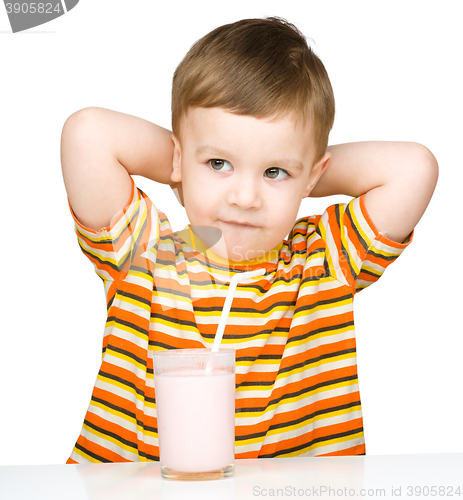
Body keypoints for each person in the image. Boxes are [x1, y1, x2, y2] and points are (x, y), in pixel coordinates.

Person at [60, 17, 438, 463]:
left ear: (312, 176)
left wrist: (295, 171)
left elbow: (415, 168)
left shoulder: (323, 261)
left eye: (273, 172)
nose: (244, 197)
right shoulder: (144, 252)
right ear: (180, 158)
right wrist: (188, 165)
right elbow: (87, 134)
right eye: (219, 163)